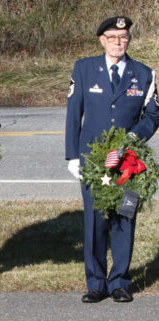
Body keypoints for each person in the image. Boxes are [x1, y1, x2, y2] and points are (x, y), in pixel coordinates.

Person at [65, 16, 158, 303]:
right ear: (102, 40)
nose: (119, 42)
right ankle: (95, 283)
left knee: (124, 217)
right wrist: (72, 155)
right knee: (94, 221)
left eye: (124, 38)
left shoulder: (144, 74)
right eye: (113, 37)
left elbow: (154, 115)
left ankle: (120, 281)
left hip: (129, 160)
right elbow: (73, 113)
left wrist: (134, 137)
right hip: (94, 161)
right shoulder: (84, 69)